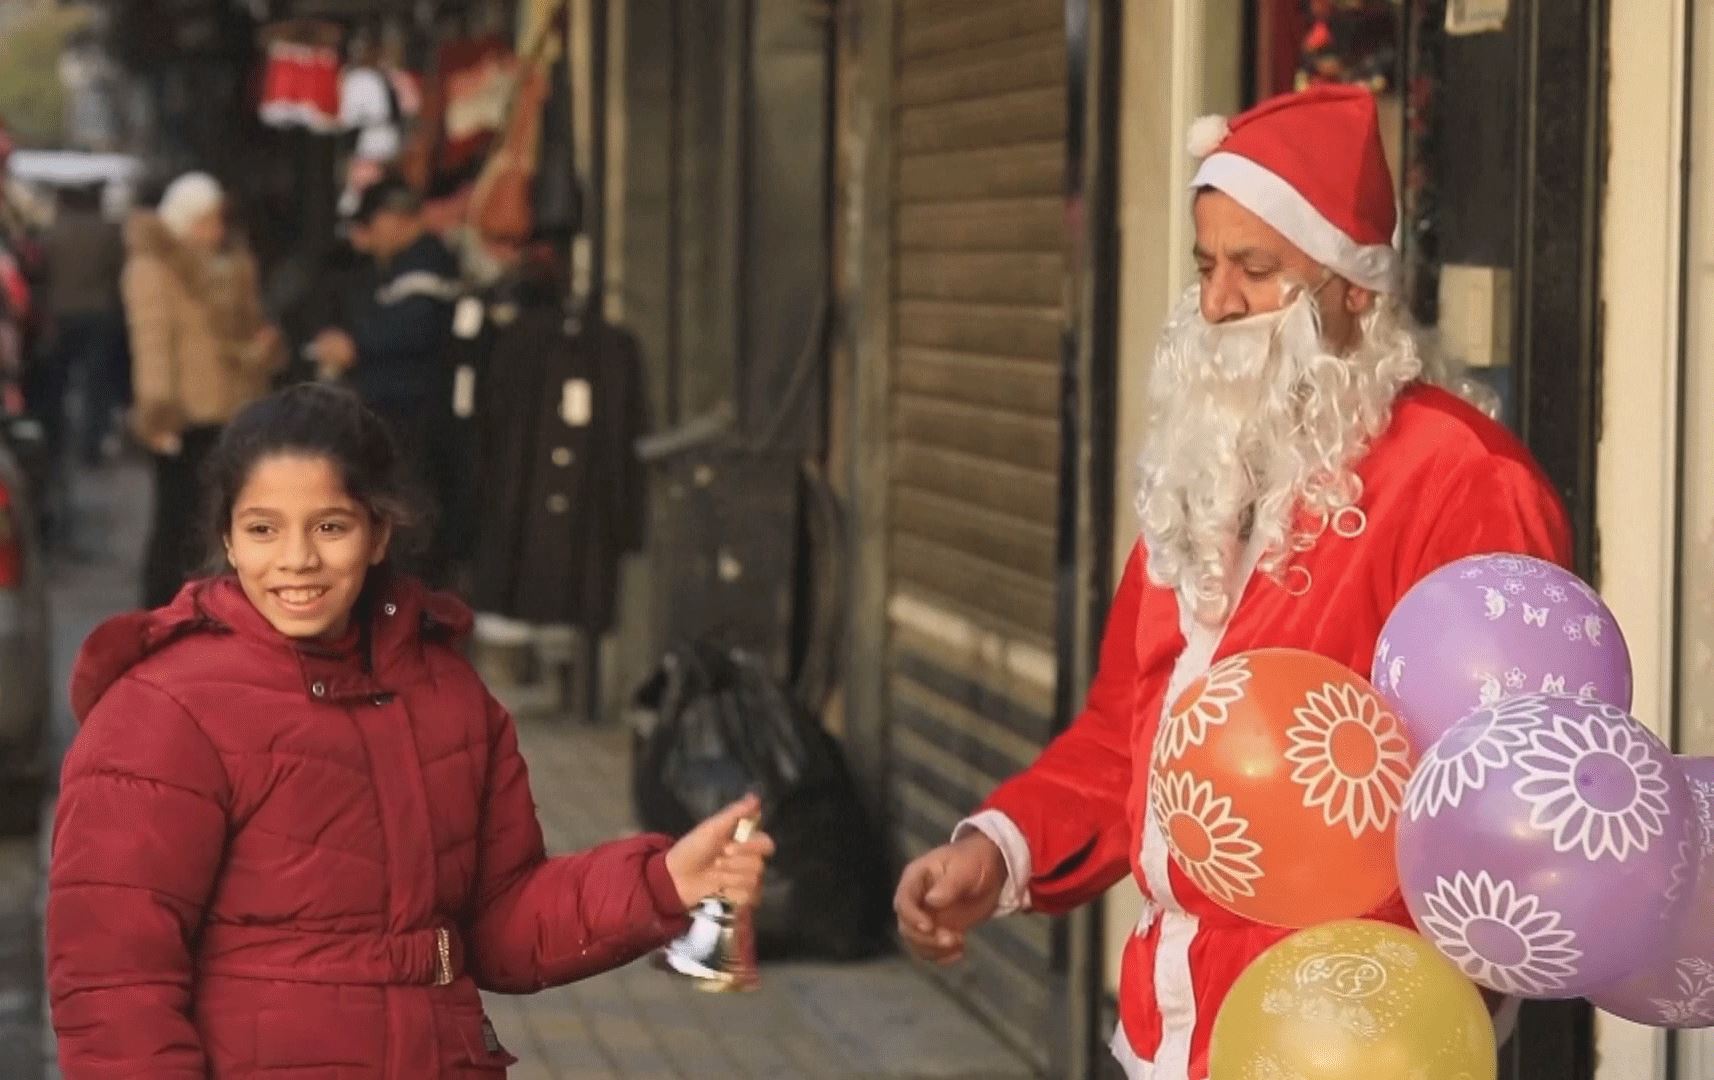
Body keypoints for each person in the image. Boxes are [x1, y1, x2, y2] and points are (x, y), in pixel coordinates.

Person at [891, 86, 1569, 1079]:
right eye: (1207, 266)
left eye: (1255, 270)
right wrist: (1000, 851)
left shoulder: (1464, 480)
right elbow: (1129, 737)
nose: (1215, 303)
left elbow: (1504, 801)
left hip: (1346, 1046)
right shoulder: (1206, 473)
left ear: (1354, 291)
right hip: (1166, 1032)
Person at [46, 382, 775, 1076]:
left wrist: (662, 881)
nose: (297, 559)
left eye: (330, 526)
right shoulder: (163, 711)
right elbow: (112, 984)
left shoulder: (446, 693)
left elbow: (501, 924)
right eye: (263, 529)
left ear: (379, 532)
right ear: (229, 541)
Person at [123, 171, 285, 608]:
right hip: (185, 419)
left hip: (233, 413)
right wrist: (158, 414)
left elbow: (242, 334)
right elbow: (152, 345)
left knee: (220, 524)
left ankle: (206, 613)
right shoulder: (155, 268)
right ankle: (162, 614)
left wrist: (261, 350)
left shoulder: (228, 267)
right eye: (208, 221)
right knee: (176, 524)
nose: (217, 231)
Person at [308, 175, 460, 581]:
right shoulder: (390, 267)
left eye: (372, 224)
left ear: (395, 219)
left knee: (411, 524)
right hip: (392, 417)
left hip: (419, 419)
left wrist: (356, 344)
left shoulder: (427, 262)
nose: (369, 236)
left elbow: (416, 327)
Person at [37, 181, 127, 467]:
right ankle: (91, 447)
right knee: (96, 384)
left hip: (60, 314)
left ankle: (56, 443)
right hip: (99, 314)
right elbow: (119, 273)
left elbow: (42, 273)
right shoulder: (108, 232)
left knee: (58, 382)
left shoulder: (53, 232)